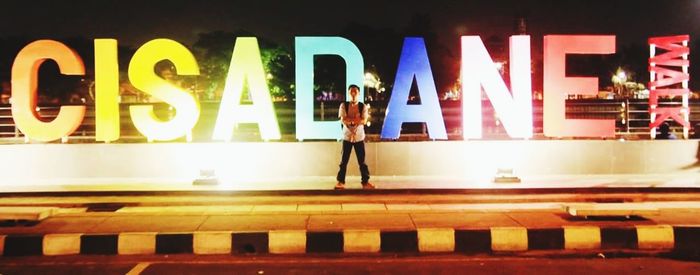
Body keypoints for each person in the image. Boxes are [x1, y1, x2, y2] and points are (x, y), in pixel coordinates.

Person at [335, 84, 374, 190]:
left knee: (362, 161)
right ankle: (340, 181)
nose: (353, 94)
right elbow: (343, 119)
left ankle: (365, 182)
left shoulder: (363, 106)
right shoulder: (344, 105)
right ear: (348, 93)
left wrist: (350, 119)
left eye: (355, 92)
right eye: (351, 92)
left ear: (359, 93)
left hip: (359, 137)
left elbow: (364, 121)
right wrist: (356, 119)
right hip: (347, 137)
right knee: (344, 161)